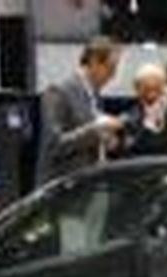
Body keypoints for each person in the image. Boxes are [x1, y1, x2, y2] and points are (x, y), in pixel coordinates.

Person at [37, 36, 123, 182]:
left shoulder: (94, 95)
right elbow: (54, 145)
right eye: (110, 68)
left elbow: (87, 138)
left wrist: (106, 140)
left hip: (87, 184)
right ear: (94, 61)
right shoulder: (58, 92)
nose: (113, 76)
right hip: (61, 188)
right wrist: (96, 129)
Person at [119, 64, 167, 158]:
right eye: (146, 90)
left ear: (165, 88)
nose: (151, 96)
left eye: (156, 89)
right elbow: (127, 153)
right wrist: (147, 125)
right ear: (137, 91)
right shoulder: (129, 120)